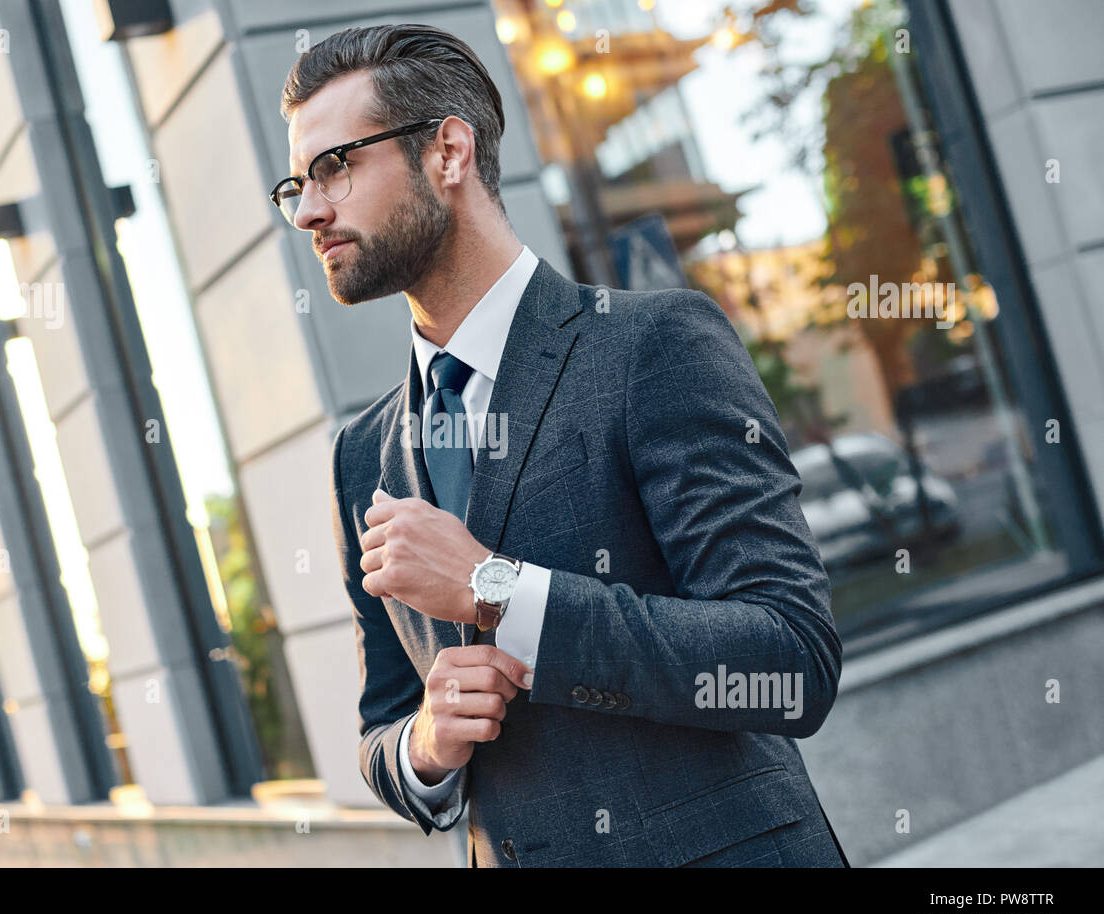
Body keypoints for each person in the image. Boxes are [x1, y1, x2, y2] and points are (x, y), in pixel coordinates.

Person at [273, 23, 849, 868]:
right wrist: (424, 747)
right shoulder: (361, 456)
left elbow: (789, 659)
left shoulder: (651, 347)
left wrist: (493, 591)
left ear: (450, 153)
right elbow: (383, 728)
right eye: (297, 183)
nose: (311, 210)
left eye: (336, 166)